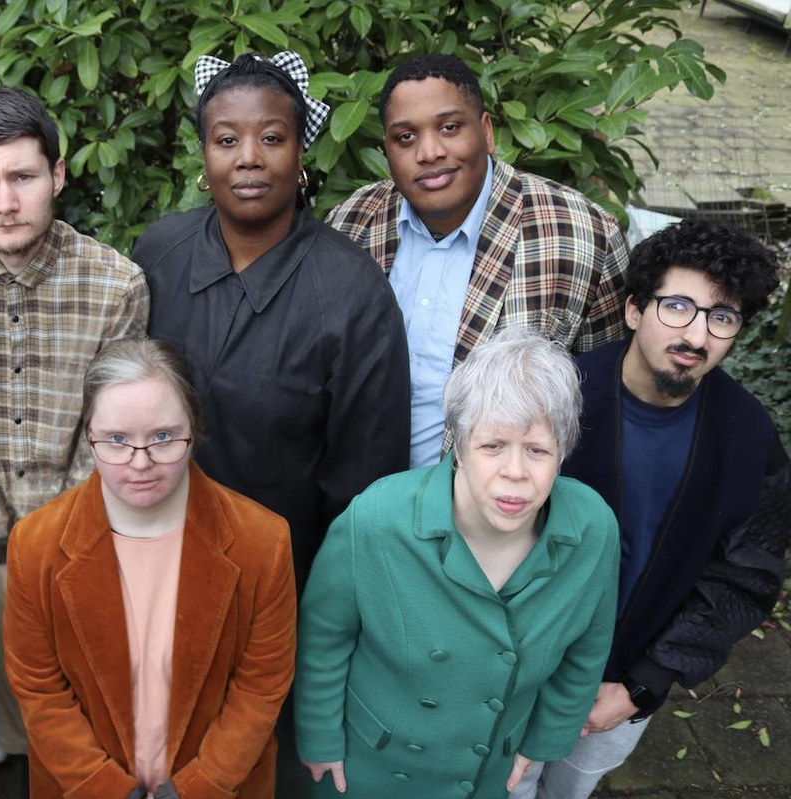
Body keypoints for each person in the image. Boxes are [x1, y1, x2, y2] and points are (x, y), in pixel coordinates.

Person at [0, 86, 150, 767]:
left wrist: (62, 532)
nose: (6, 201)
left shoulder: (116, 284)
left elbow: (111, 424)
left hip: (86, 513)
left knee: (93, 675)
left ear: (58, 174)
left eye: (23, 177)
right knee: (17, 676)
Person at [512, 220, 791, 799]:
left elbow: (747, 575)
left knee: (570, 788)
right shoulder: (552, 399)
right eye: (678, 307)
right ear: (635, 309)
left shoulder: (750, 440)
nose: (697, 335)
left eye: (722, 316)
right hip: (518, 669)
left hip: (625, 682)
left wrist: (643, 683)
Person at [296, 329, 620, 798]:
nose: (515, 471)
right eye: (493, 446)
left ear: (562, 453)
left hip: (485, 771)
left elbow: (588, 647)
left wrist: (545, 741)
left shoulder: (593, 528)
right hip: (370, 767)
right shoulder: (377, 518)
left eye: (537, 450)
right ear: (459, 445)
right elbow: (324, 639)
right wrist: (319, 739)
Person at [133, 51, 410, 597]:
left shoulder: (354, 294)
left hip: (283, 585)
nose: (248, 158)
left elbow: (362, 484)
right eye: (226, 140)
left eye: (272, 138)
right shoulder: (159, 254)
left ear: (301, 150)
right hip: (152, 563)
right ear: (204, 152)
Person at [3, 339, 296, 798]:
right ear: (89, 435)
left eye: (162, 437)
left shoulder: (263, 541)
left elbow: (262, 685)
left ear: (193, 428)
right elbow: (39, 689)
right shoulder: (35, 545)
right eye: (117, 440)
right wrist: (105, 788)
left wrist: (199, 786)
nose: (140, 463)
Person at [327, 53, 630, 469]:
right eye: (406, 137)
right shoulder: (353, 223)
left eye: (449, 128)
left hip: (503, 502)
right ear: (388, 150)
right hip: (363, 496)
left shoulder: (580, 234)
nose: (429, 152)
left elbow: (603, 403)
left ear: (486, 132)